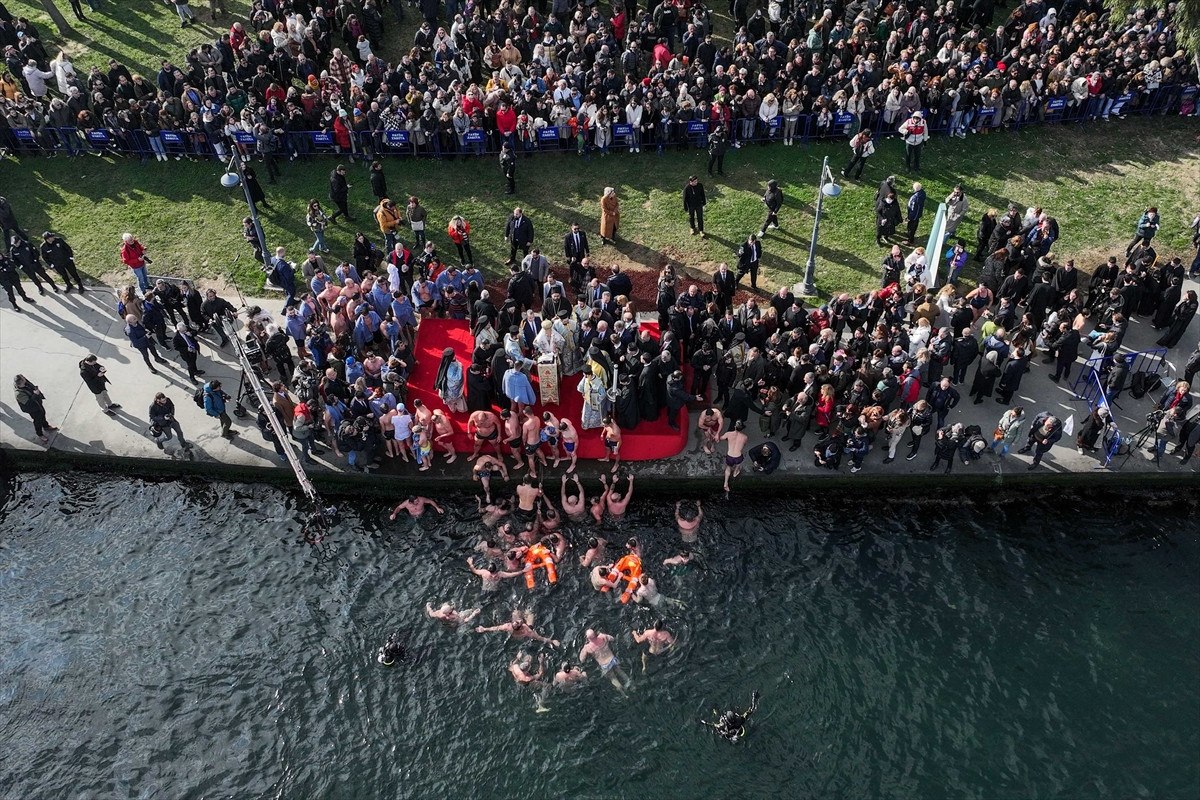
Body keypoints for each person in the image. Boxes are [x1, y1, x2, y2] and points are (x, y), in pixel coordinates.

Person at [13, 375, 55, 444]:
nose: (25, 379)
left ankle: (46, 426)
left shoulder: (25, 383)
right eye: (23, 379)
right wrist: (35, 395)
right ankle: (40, 434)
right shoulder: (19, 394)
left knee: (43, 414)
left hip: (37, 404)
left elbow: (32, 386)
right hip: (32, 409)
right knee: (37, 420)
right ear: (20, 383)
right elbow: (28, 404)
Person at [720, 419, 749, 494]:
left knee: (728, 467)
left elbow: (721, 438)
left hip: (730, 455)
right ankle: (735, 472)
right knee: (738, 464)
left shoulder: (728, 434)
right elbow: (744, 444)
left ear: (734, 426)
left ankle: (726, 483)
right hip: (738, 456)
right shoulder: (745, 437)